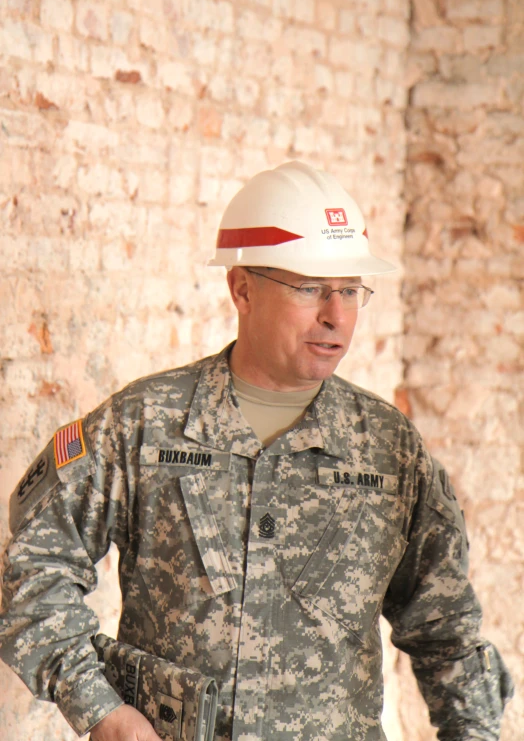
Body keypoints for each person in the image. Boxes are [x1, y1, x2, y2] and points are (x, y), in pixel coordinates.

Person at [0, 161, 513, 741]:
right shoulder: (145, 423)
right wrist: (99, 708)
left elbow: (446, 632)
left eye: (349, 290)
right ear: (242, 288)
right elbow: (33, 566)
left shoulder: (390, 450)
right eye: (310, 288)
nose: (335, 316)